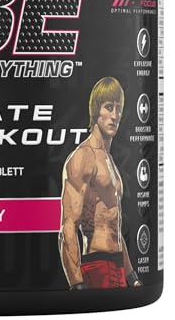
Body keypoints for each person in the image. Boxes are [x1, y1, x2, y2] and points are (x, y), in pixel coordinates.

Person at [58, 77, 142, 289]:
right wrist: (77, 284)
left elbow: (115, 227)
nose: (115, 116)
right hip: (97, 265)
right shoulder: (83, 157)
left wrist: (132, 276)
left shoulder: (109, 160)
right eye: (109, 107)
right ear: (96, 110)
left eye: (119, 109)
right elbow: (68, 227)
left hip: (117, 265)